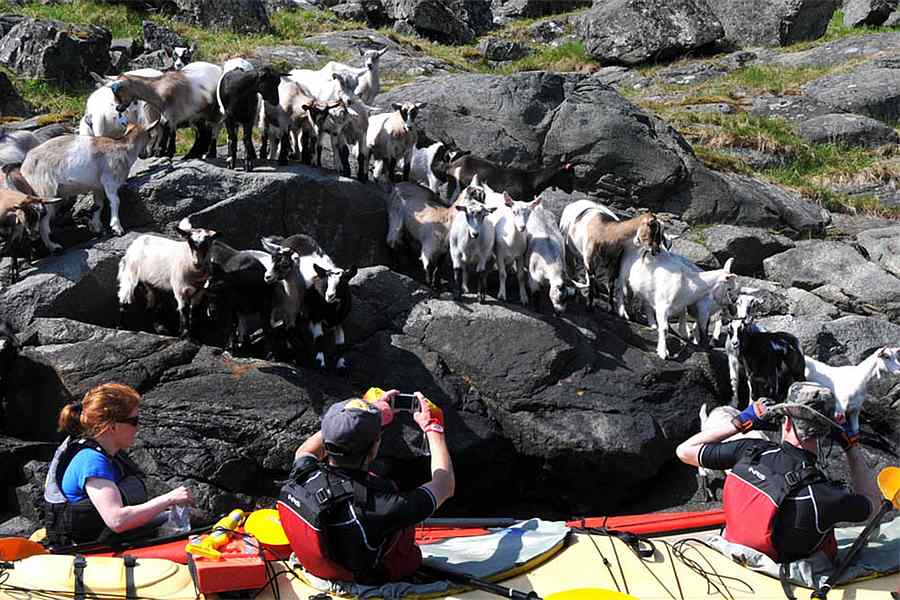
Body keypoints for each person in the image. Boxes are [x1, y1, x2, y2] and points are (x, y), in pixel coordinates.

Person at [676, 382, 880, 568]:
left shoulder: (749, 451)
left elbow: (684, 451)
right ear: (825, 433)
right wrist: (851, 447)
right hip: (782, 576)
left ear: (787, 423)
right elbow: (873, 507)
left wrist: (741, 422)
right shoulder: (824, 496)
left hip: (734, 556)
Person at [278, 389, 454, 584]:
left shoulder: (305, 474)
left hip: (322, 568)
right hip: (366, 579)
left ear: (327, 443)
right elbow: (445, 484)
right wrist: (433, 428)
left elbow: (305, 450)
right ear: (375, 445)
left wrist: (372, 410)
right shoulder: (381, 505)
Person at [43, 383, 194, 546]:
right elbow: (117, 520)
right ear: (112, 426)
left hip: (107, 539)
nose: (138, 428)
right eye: (134, 421)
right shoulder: (91, 461)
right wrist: (169, 499)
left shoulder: (110, 454)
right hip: (87, 551)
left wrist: (170, 514)